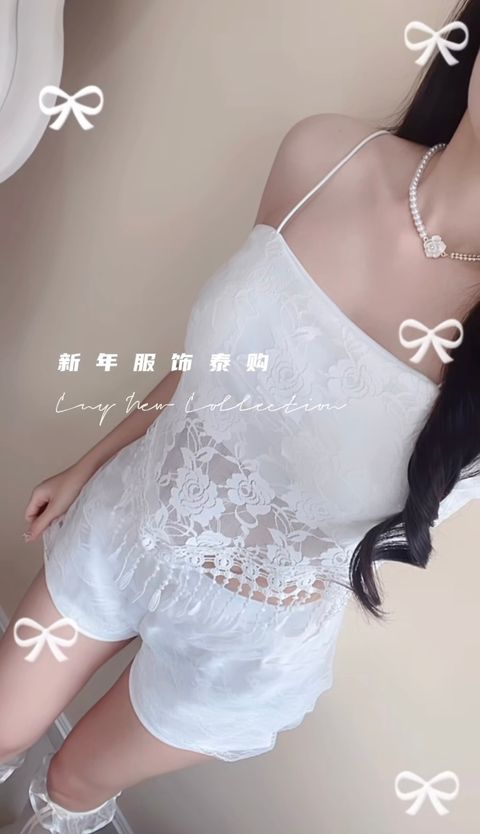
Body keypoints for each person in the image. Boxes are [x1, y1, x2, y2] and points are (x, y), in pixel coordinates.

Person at [1, 0, 480, 831]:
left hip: (243, 644)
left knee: (72, 785)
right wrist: (91, 461)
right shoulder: (326, 156)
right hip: (129, 520)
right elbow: (229, 364)